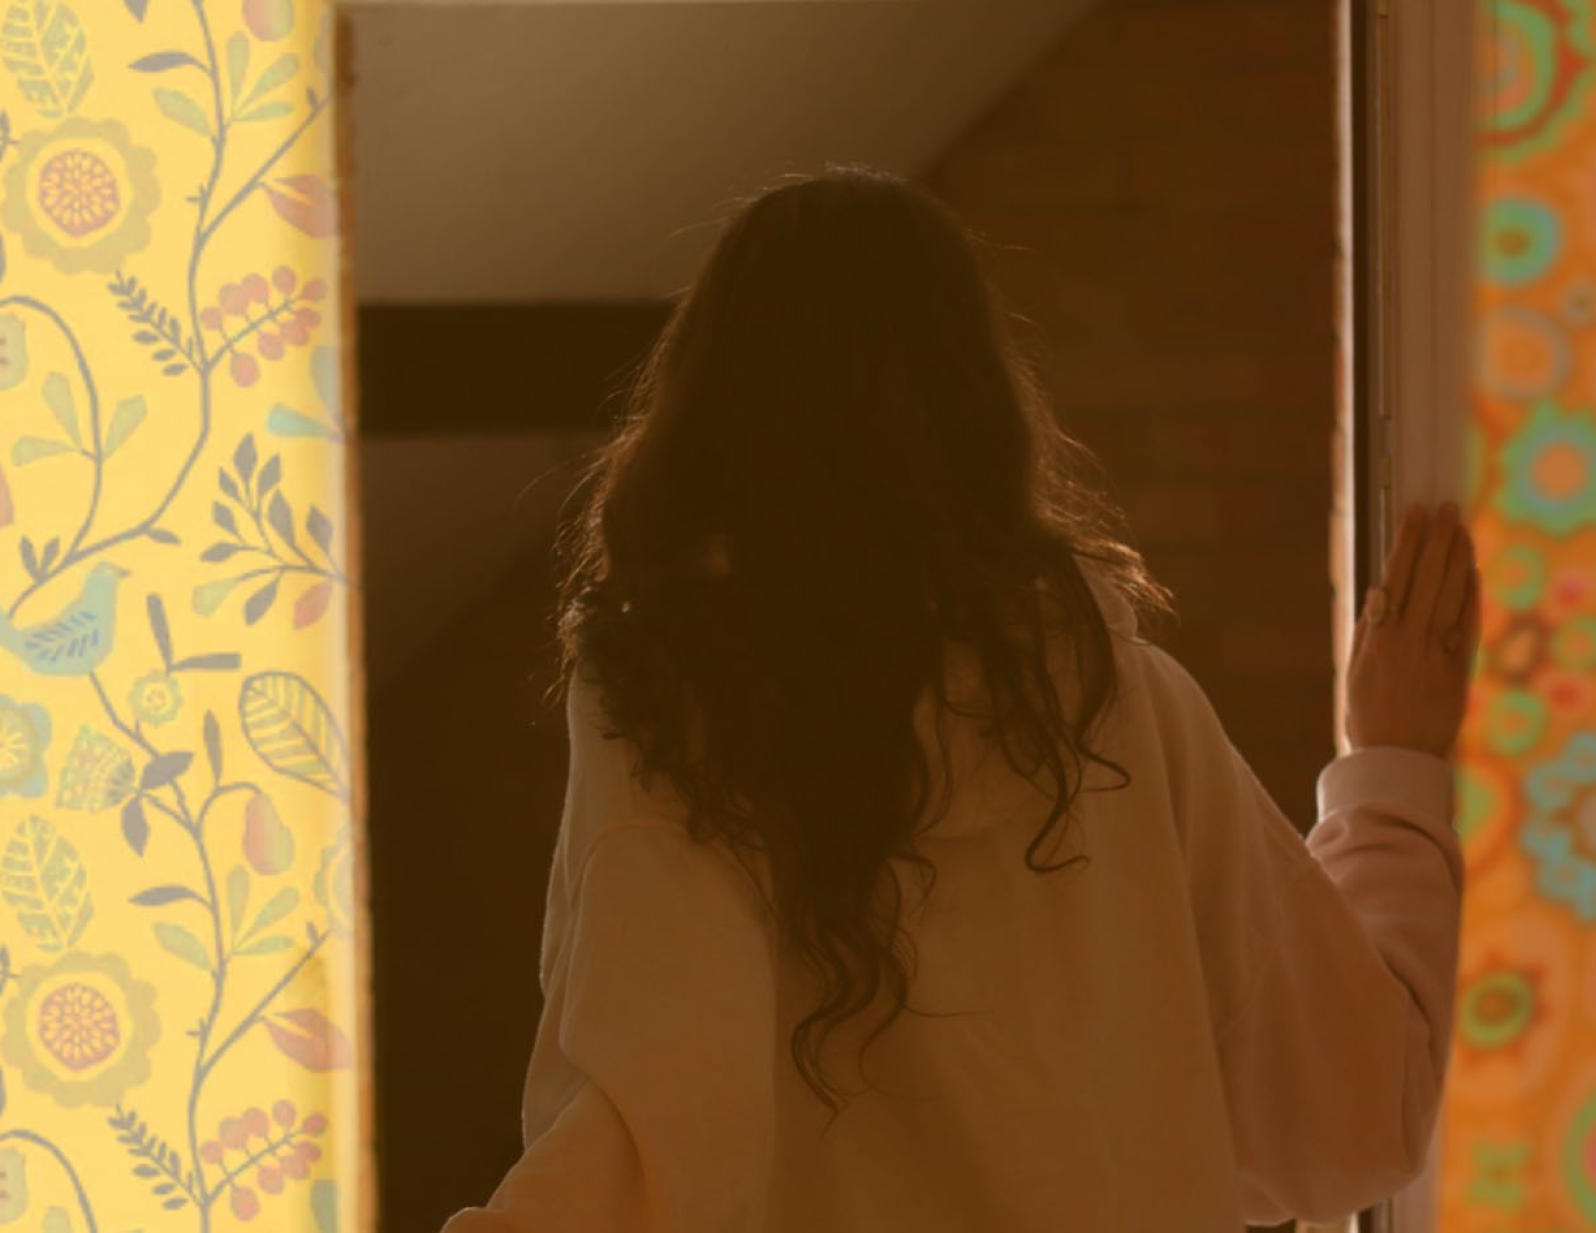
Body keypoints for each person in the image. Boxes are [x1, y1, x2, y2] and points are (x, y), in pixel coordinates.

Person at [442, 167, 1476, 1232]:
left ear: (704, 418)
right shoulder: (1114, 711)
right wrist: (1390, 776)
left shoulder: (666, 725)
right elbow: (1349, 1117)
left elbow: (632, 1158)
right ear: (980, 413)